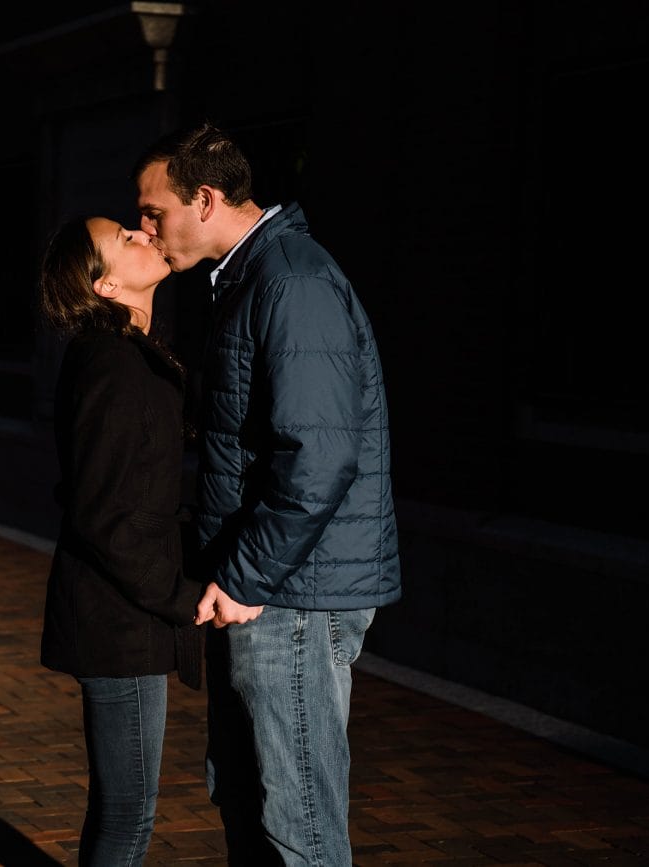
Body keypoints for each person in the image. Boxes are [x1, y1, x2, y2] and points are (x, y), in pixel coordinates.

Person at [134, 123, 401, 865]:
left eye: (156, 211)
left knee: (297, 822)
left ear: (207, 198)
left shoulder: (292, 280)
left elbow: (318, 457)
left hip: (287, 595)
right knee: (247, 798)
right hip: (265, 586)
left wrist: (246, 575)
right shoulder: (253, 279)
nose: (145, 228)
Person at [38, 215, 205, 866]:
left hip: (121, 612)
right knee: (128, 817)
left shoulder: (126, 353)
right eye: (125, 241)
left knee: (123, 811)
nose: (144, 235)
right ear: (104, 285)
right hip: (121, 620)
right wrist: (181, 595)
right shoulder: (112, 364)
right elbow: (103, 513)